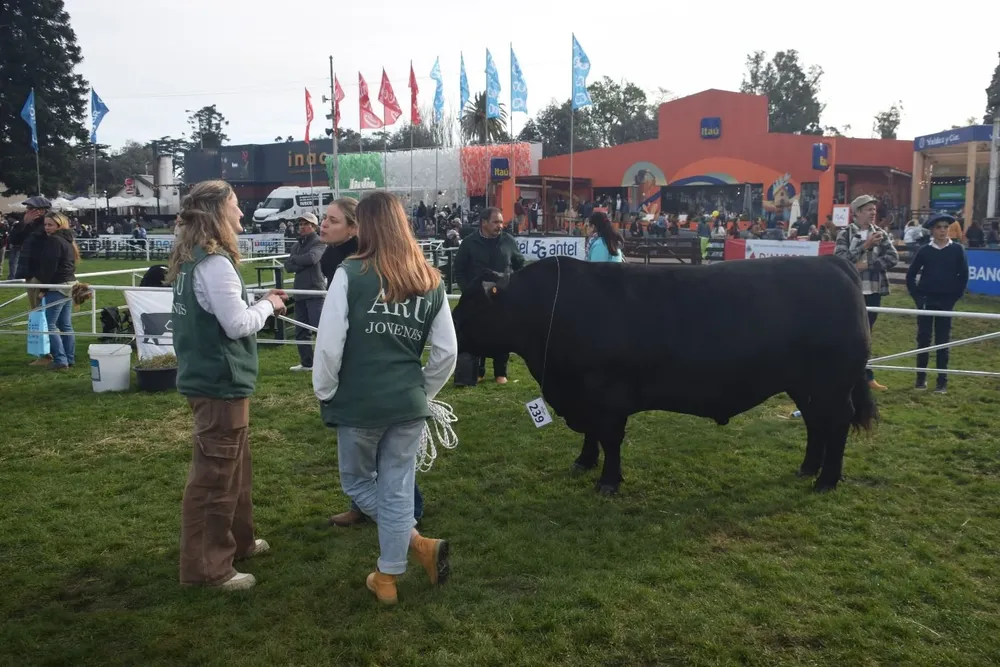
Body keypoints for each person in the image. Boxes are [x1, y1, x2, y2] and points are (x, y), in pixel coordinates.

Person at [312, 192, 457, 605]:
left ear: (367, 227)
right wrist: (423, 392)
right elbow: (447, 352)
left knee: (357, 482)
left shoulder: (350, 273)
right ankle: (392, 571)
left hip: (360, 401)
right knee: (396, 488)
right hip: (408, 403)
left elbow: (328, 346)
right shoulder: (429, 278)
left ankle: (399, 566)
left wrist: (324, 391)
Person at [168, 180, 288, 591]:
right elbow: (236, 323)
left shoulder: (191, 258)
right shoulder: (215, 263)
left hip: (211, 380)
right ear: (218, 212)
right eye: (236, 205)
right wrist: (269, 306)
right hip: (219, 382)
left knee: (235, 466)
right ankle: (207, 569)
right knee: (215, 477)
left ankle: (237, 542)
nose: (241, 213)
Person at [316, 196, 427, 528]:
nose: (324, 224)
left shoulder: (359, 263)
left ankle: (408, 512)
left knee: (383, 449)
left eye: (333, 221)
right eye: (324, 218)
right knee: (378, 447)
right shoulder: (331, 259)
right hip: (365, 369)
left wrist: (325, 387)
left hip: (374, 366)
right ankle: (367, 507)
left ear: (355, 227)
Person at [452, 206, 525, 385]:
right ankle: (479, 371)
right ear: (484, 223)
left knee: (503, 334)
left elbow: (520, 265)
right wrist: (468, 289)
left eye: (501, 222)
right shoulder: (469, 243)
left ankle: (501, 372)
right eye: (496, 222)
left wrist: (513, 286)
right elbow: (458, 270)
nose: (500, 225)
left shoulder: (509, 241)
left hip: (503, 298)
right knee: (478, 334)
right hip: (477, 299)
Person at [835, 194, 899, 391]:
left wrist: (869, 264)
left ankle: (866, 376)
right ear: (858, 212)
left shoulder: (881, 233)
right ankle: (845, 374)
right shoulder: (845, 234)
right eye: (869, 209)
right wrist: (865, 246)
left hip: (873, 291)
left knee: (867, 334)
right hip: (850, 291)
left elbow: (893, 258)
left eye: (874, 209)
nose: (873, 213)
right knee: (848, 334)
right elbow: (840, 260)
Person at [905, 214, 969, 393]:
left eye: (945, 227)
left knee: (943, 341)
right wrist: (919, 299)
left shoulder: (957, 250)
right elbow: (910, 276)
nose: (942, 230)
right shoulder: (925, 251)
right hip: (926, 301)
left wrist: (953, 298)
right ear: (932, 230)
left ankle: (942, 380)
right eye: (939, 227)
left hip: (946, 302)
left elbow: (963, 276)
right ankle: (921, 378)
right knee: (924, 339)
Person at [35, 212, 80, 370]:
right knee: (65, 325)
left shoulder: (54, 241)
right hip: (69, 284)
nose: (47, 228)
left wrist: (43, 289)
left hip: (58, 285)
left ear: (59, 225)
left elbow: (49, 268)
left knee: (50, 325)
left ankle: (61, 360)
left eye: (50, 225)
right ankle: (69, 358)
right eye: (45, 224)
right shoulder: (67, 240)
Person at [283, 212, 326, 372]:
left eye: (305, 224)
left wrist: (295, 260)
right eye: (300, 224)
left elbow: (313, 259)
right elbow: (288, 266)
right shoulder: (297, 244)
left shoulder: (319, 241)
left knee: (319, 329)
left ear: (314, 226)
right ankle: (307, 363)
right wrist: (298, 261)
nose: (301, 227)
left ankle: (326, 363)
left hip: (315, 291)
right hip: (300, 292)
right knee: (301, 331)